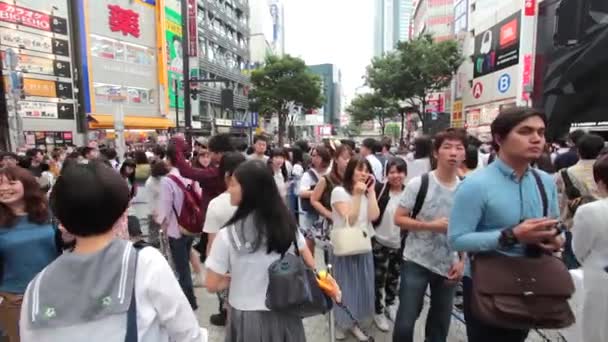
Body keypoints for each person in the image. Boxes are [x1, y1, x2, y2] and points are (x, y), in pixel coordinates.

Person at [20, 161, 203, 342]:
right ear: (122, 214)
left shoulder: (37, 285)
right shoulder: (145, 262)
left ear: (62, 222)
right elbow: (187, 332)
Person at [448, 108, 562, 342]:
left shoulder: (545, 182)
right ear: (499, 139)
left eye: (541, 132)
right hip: (487, 285)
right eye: (525, 131)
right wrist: (513, 235)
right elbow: (457, 238)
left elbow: (556, 225)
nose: (536, 138)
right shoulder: (475, 185)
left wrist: (556, 239)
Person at [205, 160, 316, 342]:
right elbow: (309, 260)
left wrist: (238, 277)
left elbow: (211, 283)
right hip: (286, 312)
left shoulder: (227, 234)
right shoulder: (287, 225)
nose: (229, 189)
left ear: (249, 190)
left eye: (233, 184)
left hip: (247, 316)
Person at [392, 129, 467, 342]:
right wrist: (431, 226)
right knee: (406, 320)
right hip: (416, 260)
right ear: (436, 152)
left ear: (464, 154)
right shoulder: (420, 184)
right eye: (447, 147)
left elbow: (466, 229)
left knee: (440, 323)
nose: (453, 153)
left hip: (448, 264)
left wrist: (462, 261)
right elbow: (399, 218)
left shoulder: (467, 189)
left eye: (458, 148)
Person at [0, 167, 59, 342]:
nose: (4, 188)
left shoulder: (47, 213)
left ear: (26, 184)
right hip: (15, 298)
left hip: (52, 292)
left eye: (11, 183)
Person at [330, 155, 380, 341]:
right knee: (345, 286)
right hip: (345, 246)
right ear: (351, 170)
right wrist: (358, 195)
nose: (363, 173)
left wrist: (371, 192)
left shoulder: (366, 192)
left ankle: (354, 322)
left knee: (361, 286)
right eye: (359, 169)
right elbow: (349, 219)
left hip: (364, 244)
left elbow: (373, 216)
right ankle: (342, 322)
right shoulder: (339, 192)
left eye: (366, 170)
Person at [202, 152, 246, 326]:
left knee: (232, 307)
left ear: (226, 175)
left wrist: (210, 267)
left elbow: (211, 244)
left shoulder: (216, 204)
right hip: (253, 264)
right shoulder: (257, 200)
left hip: (227, 265)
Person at [155, 144, 199, 310]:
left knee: (181, 268)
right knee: (185, 262)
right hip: (190, 226)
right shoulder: (191, 175)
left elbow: (165, 208)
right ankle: (189, 298)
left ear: (170, 159)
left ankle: (189, 302)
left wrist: (159, 220)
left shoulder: (168, 180)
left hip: (175, 229)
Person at [572, 154, 608, 342]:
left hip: (600, 281)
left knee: (596, 330)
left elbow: (579, 249)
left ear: (600, 181)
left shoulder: (589, 211)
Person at [371, 158, 406, 331]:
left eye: (399, 172)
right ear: (386, 175)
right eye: (392, 172)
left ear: (405, 174)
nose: (396, 176)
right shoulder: (381, 190)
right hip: (379, 243)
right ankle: (377, 311)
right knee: (378, 280)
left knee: (394, 277)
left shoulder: (410, 194)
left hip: (399, 244)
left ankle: (390, 304)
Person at [311, 145, 353, 247]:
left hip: (350, 224)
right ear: (336, 160)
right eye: (344, 158)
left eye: (350, 158)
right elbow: (314, 200)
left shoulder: (354, 179)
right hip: (332, 225)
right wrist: (329, 214)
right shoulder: (326, 179)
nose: (347, 161)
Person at [298, 145, 332, 255]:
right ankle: (310, 267)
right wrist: (319, 192)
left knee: (329, 239)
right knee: (309, 238)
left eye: (317, 156)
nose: (314, 158)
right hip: (312, 213)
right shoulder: (308, 175)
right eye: (312, 156)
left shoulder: (331, 172)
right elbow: (302, 193)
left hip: (327, 212)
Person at [145, 161, 169, 249]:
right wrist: (154, 213)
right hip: (154, 211)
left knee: (163, 233)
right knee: (153, 233)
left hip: (163, 210)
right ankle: (153, 247)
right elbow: (150, 200)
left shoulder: (161, 179)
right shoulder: (150, 182)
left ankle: (162, 246)